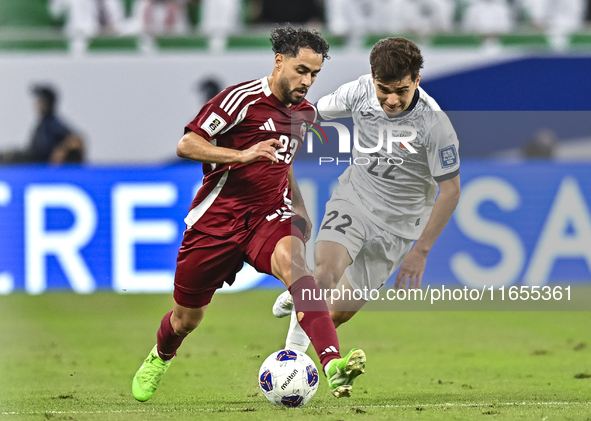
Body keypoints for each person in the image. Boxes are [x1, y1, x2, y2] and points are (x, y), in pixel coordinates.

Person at [131, 26, 366, 403]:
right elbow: (187, 144)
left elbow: (281, 162)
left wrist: (299, 206)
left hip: (268, 216)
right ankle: (160, 356)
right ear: (279, 61)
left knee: (298, 268)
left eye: (314, 74)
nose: (307, 81)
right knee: (185, 319)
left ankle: (332, 363)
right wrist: (241, 155)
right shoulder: (241, 99)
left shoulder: (304, 114)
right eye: (301, 70)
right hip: (217, 223)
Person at [272, 38, 461, 354]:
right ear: (373, 77)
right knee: (325, 273)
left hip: (398, 228)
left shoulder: (434, 124)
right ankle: (291, 358)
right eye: (383, 89)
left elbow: (451, 190)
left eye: (401, 90)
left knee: (336, 314)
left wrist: (421, 251)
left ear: (417, 80)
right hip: (355, 201)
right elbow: (313, 114)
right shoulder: (359, 91)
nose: (391, 100)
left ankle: (301, 297)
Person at [0, 85, 84, 165]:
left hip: (38, 163)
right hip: (29, 157)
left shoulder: (52, 123)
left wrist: (61, 150)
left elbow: (77, 140)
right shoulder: (43, 123)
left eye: (40, 101)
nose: (36, 105)